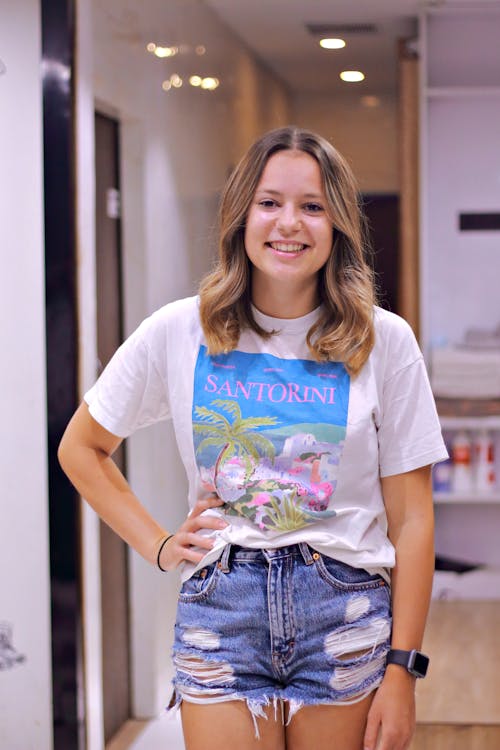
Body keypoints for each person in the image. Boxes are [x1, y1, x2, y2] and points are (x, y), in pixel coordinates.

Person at [58, 126, 448, 750]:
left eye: (312, 206)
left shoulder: (385, 341)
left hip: (343, 611)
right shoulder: (181, 330)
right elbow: (81, 447)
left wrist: (404, 670)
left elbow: (412, 519)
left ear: (338, 223)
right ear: (242, 215)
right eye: (270, 203)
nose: (288, 223)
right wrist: (159, 546)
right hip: (221, 609)